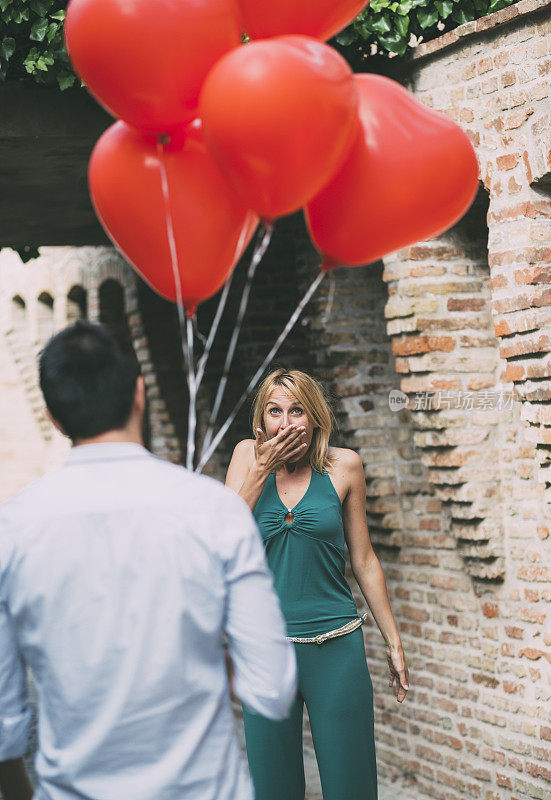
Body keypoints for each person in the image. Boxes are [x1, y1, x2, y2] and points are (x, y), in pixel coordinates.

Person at [0, 321, 297, 800]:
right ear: (140, 393)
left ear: (55, 418)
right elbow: (272, 686)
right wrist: (206, 658)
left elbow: (3, 725)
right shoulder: (215, 510)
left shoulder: (10, 531)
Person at [226, 368, 410, 800]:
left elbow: (364, 559)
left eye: (296, 410)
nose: (285, 422)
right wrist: (261, 469)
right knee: (274, 789)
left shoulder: (344, 466)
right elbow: (224, 538)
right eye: (275, 411)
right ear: (262, 421)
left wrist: (394, 642)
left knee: (352, 787)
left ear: (314, 419)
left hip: (336, 648)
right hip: (266, 654)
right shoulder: (244, 458)